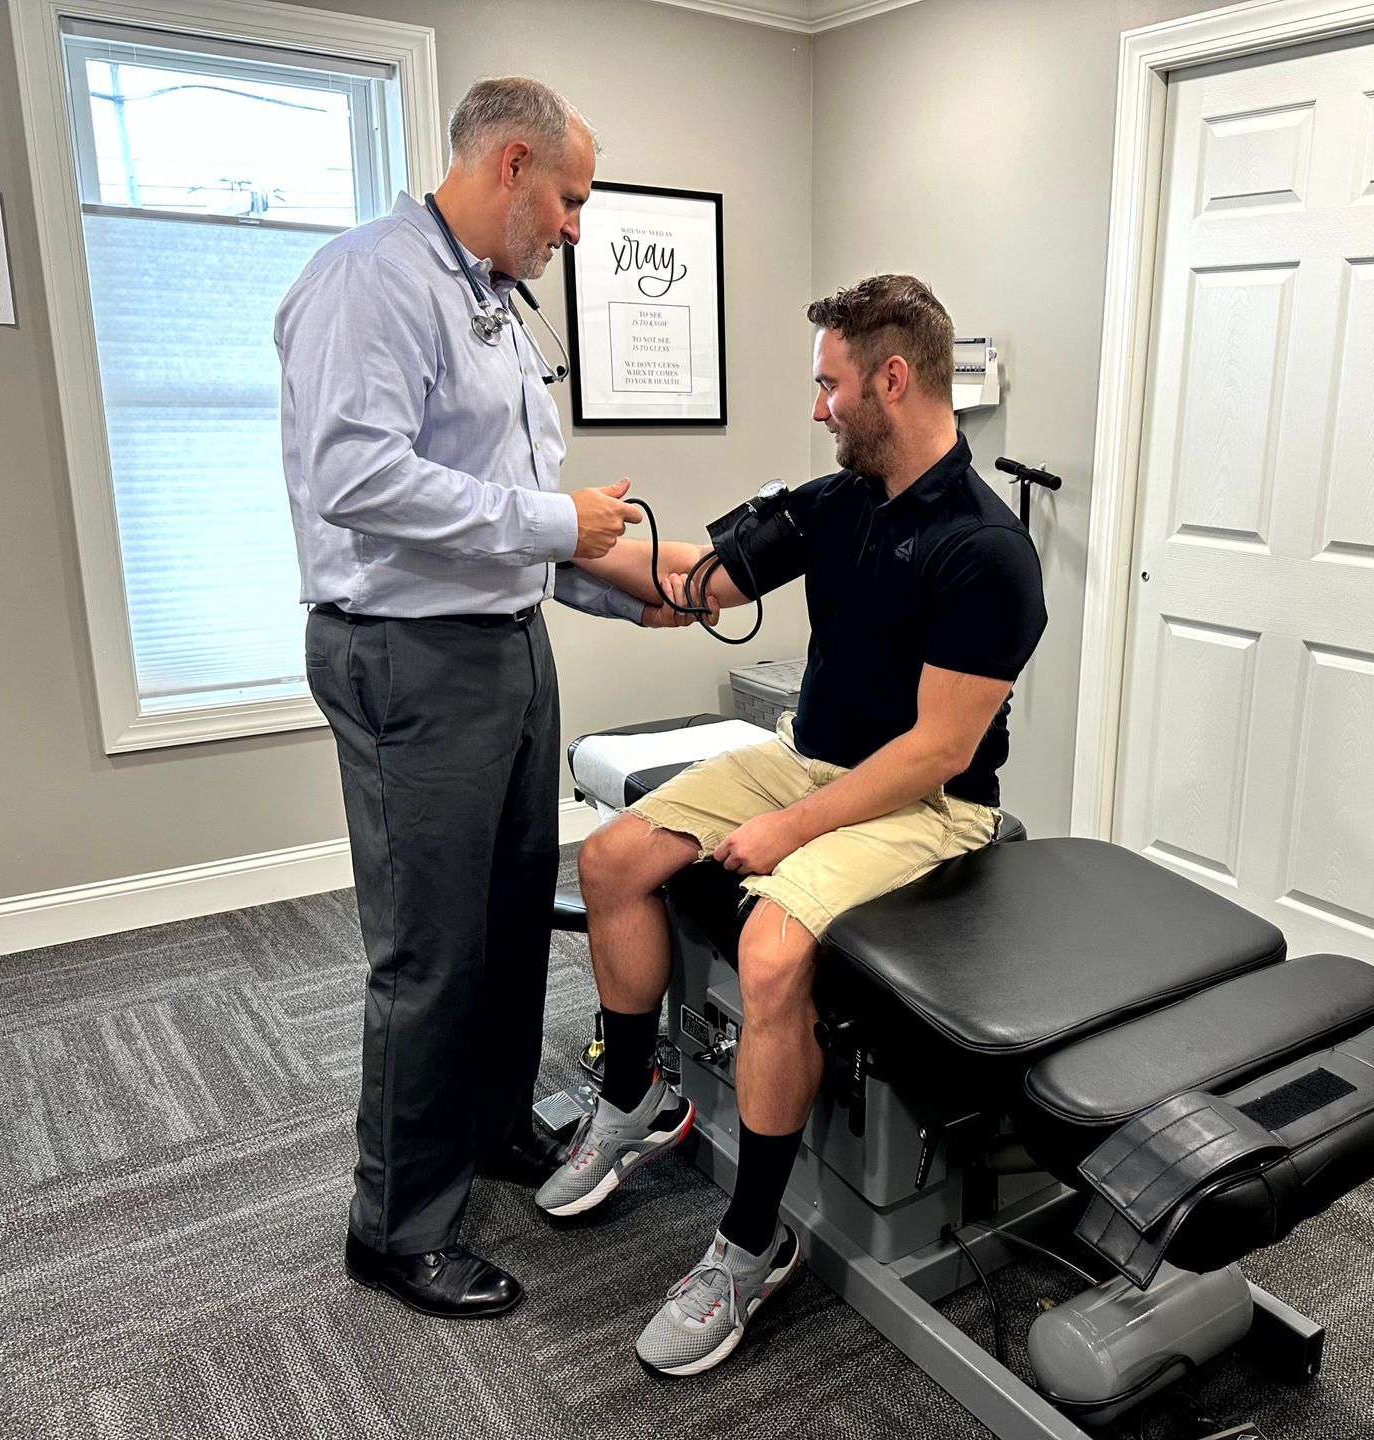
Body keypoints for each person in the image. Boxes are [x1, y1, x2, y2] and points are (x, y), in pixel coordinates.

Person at [543, 274, 1049, 1376]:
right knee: (618, 855)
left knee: (773, 949)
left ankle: (750, 1241)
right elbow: (695, 581)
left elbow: (938, 750)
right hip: (806, 758)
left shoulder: (987, 551)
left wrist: (791, 834)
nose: (818, 406)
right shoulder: (839, 503)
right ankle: (634, 1099)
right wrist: (549, 544)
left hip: (928, 807)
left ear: (892, 379)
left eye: (830, 384)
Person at [276, 76, 701, 1321]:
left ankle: (499, 1123)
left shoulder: (501, 309)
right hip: (408, 656)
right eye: (569, 198)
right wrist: (556, 523)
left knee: (517, 912)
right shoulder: (373, 280)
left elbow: (515, 526)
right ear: (512, 164)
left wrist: (639, 591)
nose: (577, 226)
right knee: (431, 950)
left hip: (503, 644)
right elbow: (356, 478)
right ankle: (397, 1224)